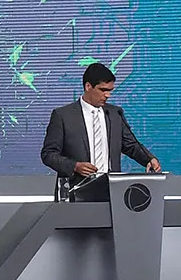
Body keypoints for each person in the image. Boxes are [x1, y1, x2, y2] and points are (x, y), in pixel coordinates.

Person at [40, 62, 162, 191]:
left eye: (110, 91)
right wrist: (75, 166)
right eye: (103, 90)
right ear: (88, 86)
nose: (107, 95)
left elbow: (130, 145)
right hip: (75, 191)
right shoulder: (63, 115)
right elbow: (48, 154)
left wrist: (149, 159)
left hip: (112, 191)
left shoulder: (115, 114)